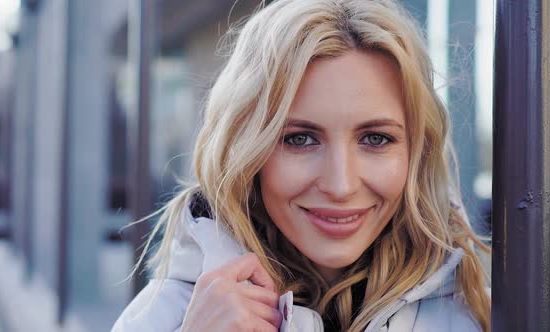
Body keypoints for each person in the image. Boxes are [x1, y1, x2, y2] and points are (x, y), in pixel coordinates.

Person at [112, 0, 491, 331]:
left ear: (416, 152)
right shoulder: (167, 318)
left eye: (375, 138)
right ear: (247, 152)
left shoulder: (480, 310)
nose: (341, 185)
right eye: (299, 139)